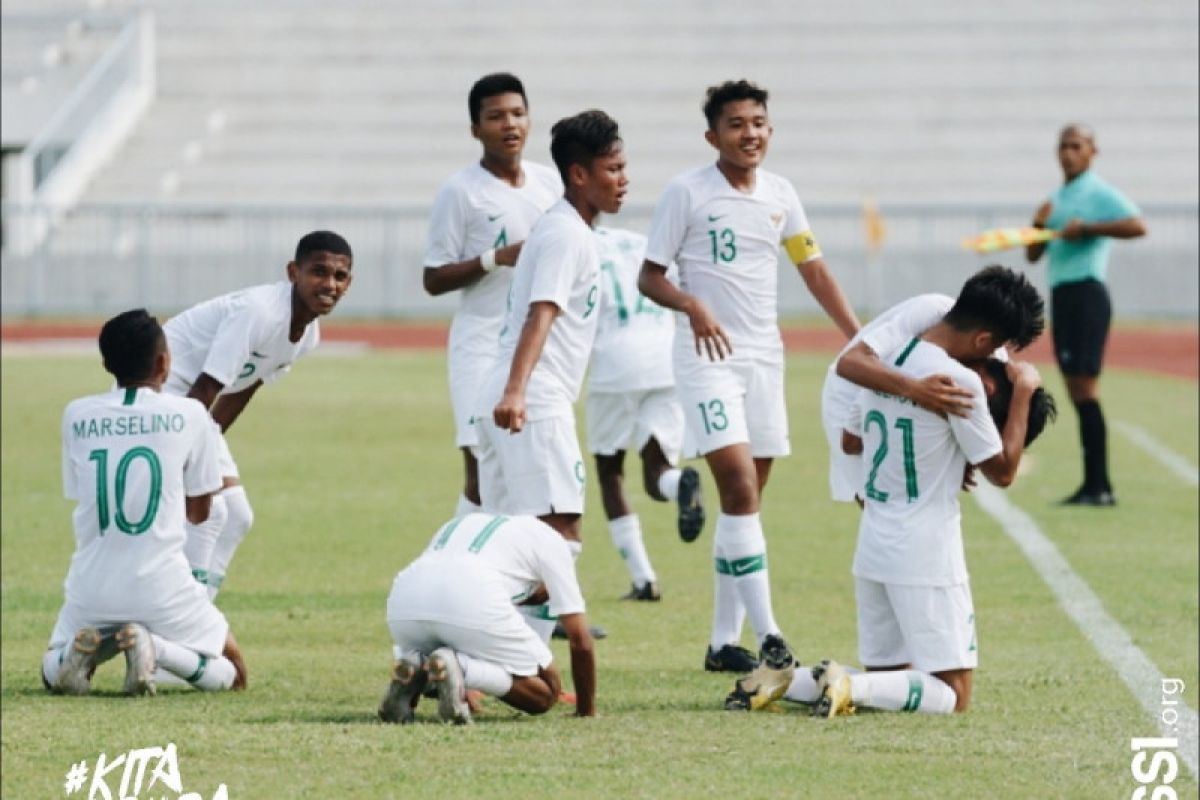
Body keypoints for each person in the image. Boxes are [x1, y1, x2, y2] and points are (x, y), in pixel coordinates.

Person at [731, 267, 1055, 715]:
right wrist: (1023, 391)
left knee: (890, 675)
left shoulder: (887, 361)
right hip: (926, 547)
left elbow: (851, 441)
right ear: (983, 340)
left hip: (875, 539)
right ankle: (844, 684)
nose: (999, 362)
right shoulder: (959, 384)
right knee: (955, 695)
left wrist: (941, 451)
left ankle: (788, 683)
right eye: (998, 350)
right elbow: (1002, 471)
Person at [637, 79, 861, 673]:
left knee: (747, 504)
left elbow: (814, 271)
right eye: (736, 124)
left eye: (758, 122)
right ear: (713, 135)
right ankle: (771, 636)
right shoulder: (686, 193)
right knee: (736, 488)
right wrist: (693, 305)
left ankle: (720, 643)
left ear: (770, 128)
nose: (750, 133)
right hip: (707, 359)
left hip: (765, 358)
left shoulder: (782, 195)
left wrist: (859, 337)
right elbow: (650, 276)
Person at [474, 109, 626, 641]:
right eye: (612, 168)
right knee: (558, 537)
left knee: (508, 542)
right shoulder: (567, 235)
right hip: (532, 398)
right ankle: (518, 658)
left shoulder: (556, 228)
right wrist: (519, 390)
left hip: (508, 391)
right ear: (579, 174)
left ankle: (471, 651)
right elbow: (543, 311)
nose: (622, 180)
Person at [42, 309, 248, 697]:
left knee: (50, 666)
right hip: (162, 584)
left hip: (91, 585)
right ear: (164, 362)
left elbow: (83, 495)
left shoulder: (76, 414)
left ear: (106, 363)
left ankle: (78, 654)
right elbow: (200, 513)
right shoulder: (190, 413)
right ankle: (156, 647)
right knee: (234, 672)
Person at [163, 230, 353, 597]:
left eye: (340, 276)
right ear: (293, 272)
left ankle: (198, 611)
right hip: (165, 396)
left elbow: (241, 390)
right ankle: (186, 616)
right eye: (318, 272)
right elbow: (205, 388)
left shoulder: (309, 335)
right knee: (211, 512)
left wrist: (210, 443)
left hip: (194, 411)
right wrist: (183, 458)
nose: (329, 284)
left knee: (236, 517)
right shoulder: (260, 312)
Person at [423, 73, 562, 517]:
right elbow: (433, 278)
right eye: (496, 116)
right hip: (481, 342)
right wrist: (494, 258)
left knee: (529, 469)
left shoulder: (550, 185)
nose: (510, 124)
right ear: (475, 129)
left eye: (518, 113)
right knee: (483, 469)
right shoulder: (461, 192)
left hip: (533, 346)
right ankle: (451, 570)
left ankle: (500, 573)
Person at [1025, 123, 1146, 507]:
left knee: (1086, 389)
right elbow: (1032, 254)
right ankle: (1093, 484)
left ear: (1093, 151)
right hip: (1062, 296)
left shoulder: (1098, 192)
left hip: (1086, 294)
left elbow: (1137, 225)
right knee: (1076, 389)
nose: (1068, 152)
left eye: (1076, 145)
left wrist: (1089, 228)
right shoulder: (1055, 198)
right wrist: (1039, 225)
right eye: (1063, 146)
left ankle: (1099, 485)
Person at [380, 513, 595, 724]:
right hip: (473, 593)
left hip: (403, 599)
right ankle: (464, 669)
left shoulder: (468, 522)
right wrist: (587, 711)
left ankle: (414, 666)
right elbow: (580, 641)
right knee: (547, 690)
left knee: (450, 641)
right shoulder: (554, 542)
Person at [586, 225, 704, 601]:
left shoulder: (576, 245)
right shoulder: (640, 239)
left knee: (610, 472)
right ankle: (679, 484)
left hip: (614, 366)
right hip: (664, 360)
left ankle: (643, 579)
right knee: (657, 473)